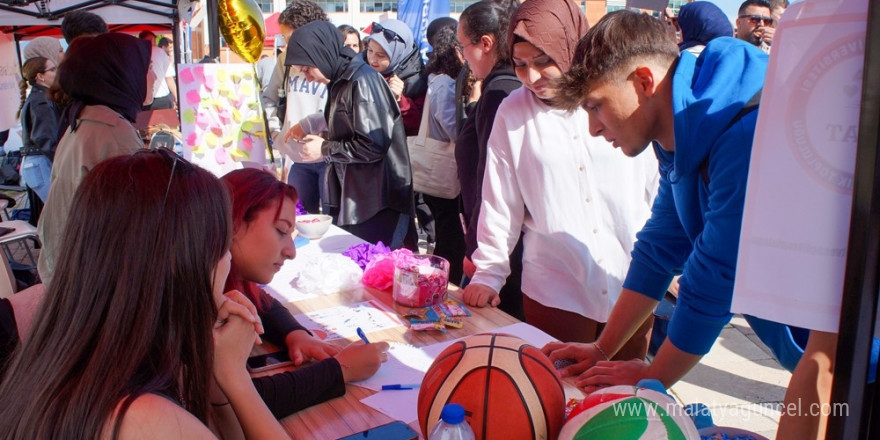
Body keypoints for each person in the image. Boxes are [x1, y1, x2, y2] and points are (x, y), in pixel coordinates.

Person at [542, 11, 768, 393]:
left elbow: (716, 277)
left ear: (644, 81)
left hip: (856, 346)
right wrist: (602, 348)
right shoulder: (679, 137)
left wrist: (654, 376)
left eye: (596, 106)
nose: (593, 129)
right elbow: (660, 248)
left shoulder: (743, 128)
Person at [0, 151, 291, 439]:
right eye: (220, 246)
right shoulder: (144, 420)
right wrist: (235, 376)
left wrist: (219, 372)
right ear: (182, 264)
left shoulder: (71, 359)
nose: (227, 260)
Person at [462, 0, 658, 354]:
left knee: (624, 395)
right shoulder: (513, 112)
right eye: (520, 65)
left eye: (543, 62)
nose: (531, 77)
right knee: (561, 393)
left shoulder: (612, 97)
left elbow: (654, 182)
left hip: (632, 279)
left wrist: (674, 258)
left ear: (570, 47)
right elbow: (500, 199)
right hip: (556, 288)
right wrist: (489, 272)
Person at [221, 168, 389, 418]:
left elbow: (264, 301)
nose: (291, 251)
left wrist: (295, 335)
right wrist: (340, 370)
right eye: (281, 231)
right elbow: (239, 403)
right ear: (234, 223)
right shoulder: (195, 300)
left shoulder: (227, 282)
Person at [284, 21, 417, 250]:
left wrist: (324, 148)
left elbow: (373, 145)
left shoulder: (361, 80)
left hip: (377, 203)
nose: (308, 78)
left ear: (321, 54)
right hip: (360, 199)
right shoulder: (341, 79)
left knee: (378, 271)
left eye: (307, 69)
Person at [37, 33, 155, 286]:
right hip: (89, 280)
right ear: (122, 72)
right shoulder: (111, 132)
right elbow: (137, 226)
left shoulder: (85, 119)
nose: (155, 77)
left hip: (66, 271)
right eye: (149, 69)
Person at [455, 0, 524, 320]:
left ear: (486, 43)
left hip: (502, 249)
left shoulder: (500, 94)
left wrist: (480, 248)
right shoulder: (500, 87)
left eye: (463, 46)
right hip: (501, 244)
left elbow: (493, 181)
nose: (462, 57)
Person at [262, 0, 330, 215]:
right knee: (298, 218)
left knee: (333, 221)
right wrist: (276, 132)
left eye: (290, 38)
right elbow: (269, 99)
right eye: (284, 39)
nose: (286, 45)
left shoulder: (332, 60)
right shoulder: (284, 61)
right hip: (296, 158)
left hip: (329, 156)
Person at [421, 25, 466, 284]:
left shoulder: (435, 79)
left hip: (435, 172)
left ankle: (437, 282)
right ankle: (441, 285)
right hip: (444, 172)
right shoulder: (445, 83)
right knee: (450, 240)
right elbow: (452, 128)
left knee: (446, 237)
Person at [17, 57, 60, 203]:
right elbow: (45, 138)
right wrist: (62, 161)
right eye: (52, 69)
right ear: (40, 76)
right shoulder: (40, 100)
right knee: (59, 212)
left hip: (38, 162)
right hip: (40, 163)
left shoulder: (40, 97)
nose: (57, 72)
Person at [139, 30, 176, 110]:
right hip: (161, 98)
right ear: (152, 40)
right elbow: (169, 77)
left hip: (143, 99)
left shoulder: (136, 53)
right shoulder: (160, 52)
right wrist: (176, 97)